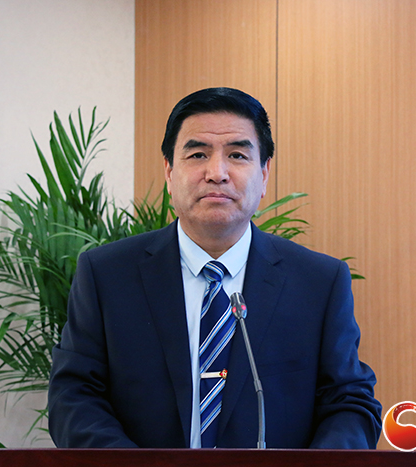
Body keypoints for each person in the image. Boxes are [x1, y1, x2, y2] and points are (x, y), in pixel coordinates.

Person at [48, 87, 382, 449]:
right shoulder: (107, 275)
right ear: (169, 172)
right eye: (197, 154)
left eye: (237, 155)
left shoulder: (319, 282)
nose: (217, 173)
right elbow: (73, 397)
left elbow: (350, 403)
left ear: (264, 173)